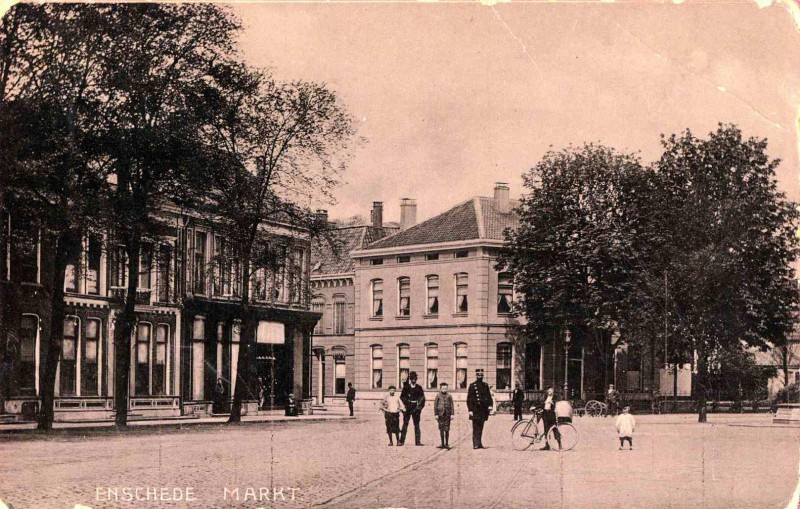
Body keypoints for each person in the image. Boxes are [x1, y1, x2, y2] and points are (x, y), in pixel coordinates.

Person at [466, 368, 493, 449]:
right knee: (475, 427)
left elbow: (489, 397)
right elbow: (469, 399)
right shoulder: (472, 386)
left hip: (483, 410)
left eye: (481, 375)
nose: (480, 376)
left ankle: (479, 443)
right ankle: (475, 444)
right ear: (476, 375)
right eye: (478, 375)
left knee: (481, 427)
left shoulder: (485, 385)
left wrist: (490, 405)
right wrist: (470, 410)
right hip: (475, 410)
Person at [400, 371, 425, 446]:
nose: (413, 380)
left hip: (416, 407)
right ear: (410, 379)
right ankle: (401, 441)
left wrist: (419, 407)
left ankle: (418, 441)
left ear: (416, 379)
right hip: (408, 407)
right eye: (412, 379)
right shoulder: (406, 387)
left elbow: (422, 398)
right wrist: (406, 403)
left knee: (417, 425)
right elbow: (402, 397)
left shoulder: (419, 388)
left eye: (415, 379)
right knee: (405, 424)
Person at [434, 383, 454, 449]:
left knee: (447, 429)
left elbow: (452, 405)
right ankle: (442, 443)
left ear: (447, 389)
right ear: (440, 389)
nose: (444, 390)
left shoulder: (449, 396)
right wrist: (436, 414)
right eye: (443, 388)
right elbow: (435, 405)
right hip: (440, 415)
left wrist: (452, 414)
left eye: (445, 388)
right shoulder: (438, 396)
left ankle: (447, 444)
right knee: (441, 429)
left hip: (447, 415)